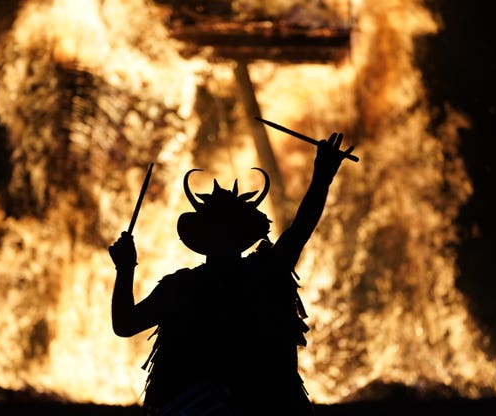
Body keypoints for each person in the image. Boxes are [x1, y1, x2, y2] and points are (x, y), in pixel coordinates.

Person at [109, 131, 355, 415]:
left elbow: (125, 324)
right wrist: (322, 178)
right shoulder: (264, 272)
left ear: (201, 240)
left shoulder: (182, 287)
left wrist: (125, 268)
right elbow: (299, 231)